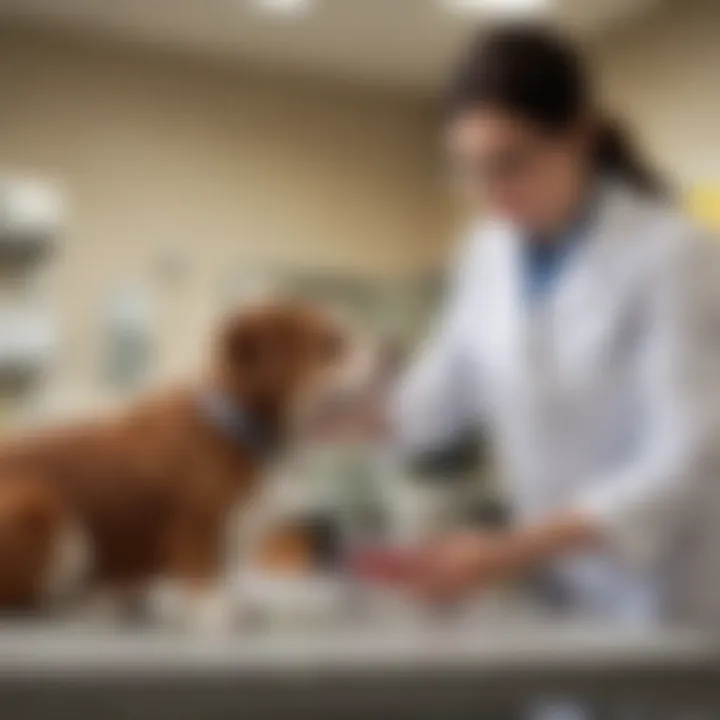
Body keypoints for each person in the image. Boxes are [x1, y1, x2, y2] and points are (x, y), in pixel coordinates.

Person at [392, 24, 720, 627]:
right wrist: (310, 395)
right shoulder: (487, 253)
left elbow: (683, 462)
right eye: (469, 169)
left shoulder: (675, 256)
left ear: (580, 136)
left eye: (509, 163)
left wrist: (508, 552)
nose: (489, 194)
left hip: (668, 602)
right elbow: (430, 403)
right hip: (563, 597)